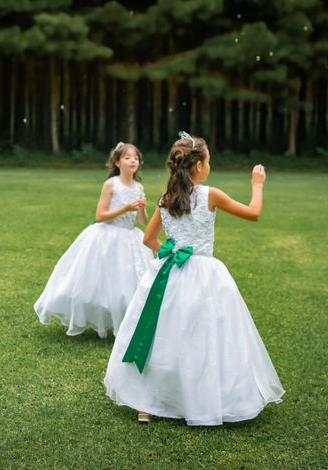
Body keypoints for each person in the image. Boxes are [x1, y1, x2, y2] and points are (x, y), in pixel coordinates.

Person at [104, 132, 284, 425]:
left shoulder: (166, 199)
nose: (209, 166)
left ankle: (146, 402)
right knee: (203, 338)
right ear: (198, 165)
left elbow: (148, 239)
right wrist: (257, 185)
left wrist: (170, 251)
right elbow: (253, 213)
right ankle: (201, 399)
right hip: (205, 276)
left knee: (163, 337)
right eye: (209, 161)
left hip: (169, 275)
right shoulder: (211, 194)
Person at [34, 142, 154, 338]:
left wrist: (140, 207)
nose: (132, 161)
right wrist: (124, 208)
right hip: (107, 235)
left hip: (129, 237)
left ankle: (126, 321)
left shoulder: (139, 187)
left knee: (126, 282)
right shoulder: (111, 184)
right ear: (117, 162)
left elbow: (142, 221)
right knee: (103, 282)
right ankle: (101, 319)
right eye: (127, 157)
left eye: (136, 158)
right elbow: (100, 215)